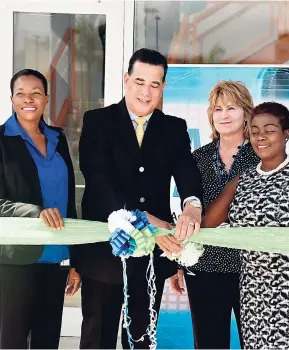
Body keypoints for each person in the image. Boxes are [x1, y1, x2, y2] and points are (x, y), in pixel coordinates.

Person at [77, 48, 203, 349]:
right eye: (139, 81)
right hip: (104, 252)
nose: (146, 92)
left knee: (143, 340)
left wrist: (192, 206)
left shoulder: (174, 127)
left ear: (163, 87)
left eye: (155, 84)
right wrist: (146, 222)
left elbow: (186, 171)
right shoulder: (97, 121)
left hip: (151, 260)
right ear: (126, 80)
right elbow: (98, 180)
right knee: (98, 338)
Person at [201, 102, 289, 349]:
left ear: (286, 133)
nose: (260, 136)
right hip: (251, 292)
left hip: (288, 293)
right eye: (255, 130)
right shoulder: (241, 182)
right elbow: (205, 224)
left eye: (269, 129)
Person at [169, 81, 259, 349]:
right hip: (204, 267)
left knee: (255, 342)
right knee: (208, 343)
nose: (224, 115)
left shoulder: (261, 156)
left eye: (232, 107)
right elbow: (186, 210)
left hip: (251, 268)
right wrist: (178, 262)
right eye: (217, 109)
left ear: (246, 112)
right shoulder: (197, 158)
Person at [0, 69, 80, 349]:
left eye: (36, 92)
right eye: (21, 93)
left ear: (46, 99)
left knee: (47, 341)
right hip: (14, 261)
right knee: (12, 341)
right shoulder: (2, 142)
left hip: (55, 259)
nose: (28, 99)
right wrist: (35, 212)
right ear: (12, 99)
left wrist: (75, 261)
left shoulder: (57, 140)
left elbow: (68, 202)